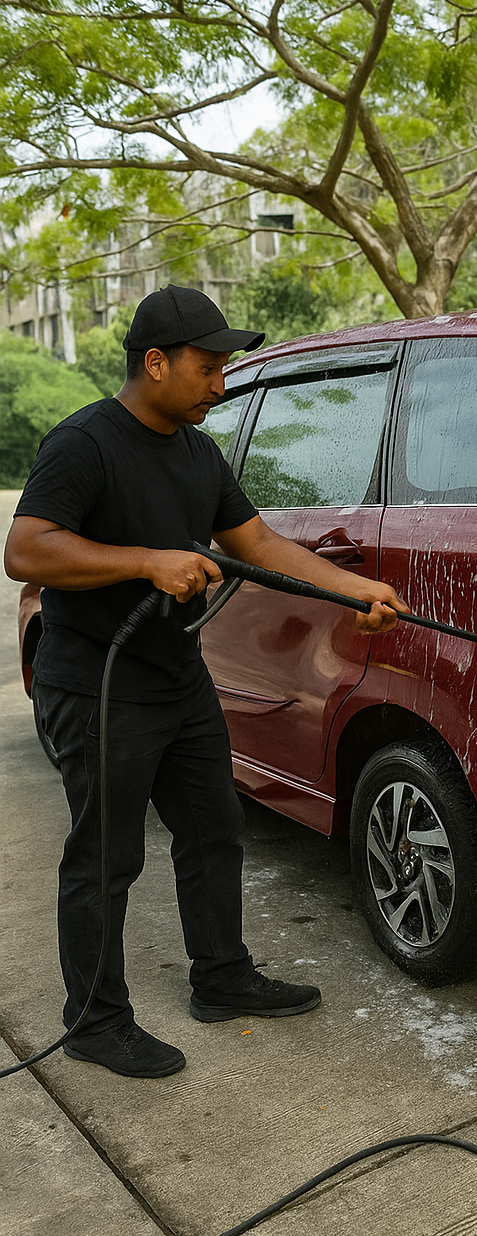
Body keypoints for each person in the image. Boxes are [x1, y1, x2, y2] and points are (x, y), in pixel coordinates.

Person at [3, 284, 409, 1080]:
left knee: (214, 829)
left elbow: (254, 542)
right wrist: (145, 561)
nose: (221, 383)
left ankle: (221, 978)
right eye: (208, 366)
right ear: (155, 364)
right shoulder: (84, 444)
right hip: (98, 683)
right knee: (106, 857)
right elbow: (26, 551)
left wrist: (350, 589)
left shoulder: (197, 454)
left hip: (178, 678)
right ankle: (92, 1020)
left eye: (226, 367)